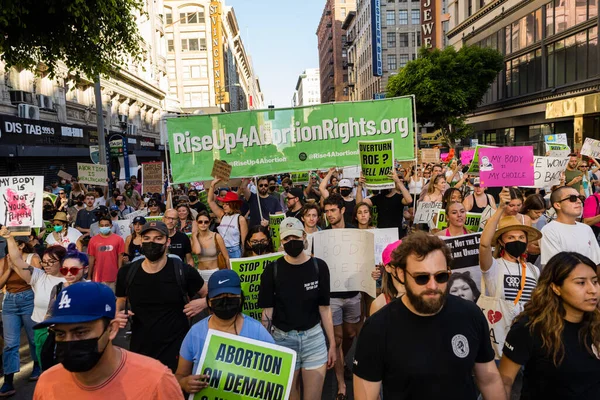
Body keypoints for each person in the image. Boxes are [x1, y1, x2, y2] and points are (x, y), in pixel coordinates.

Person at [353, 231, 504, 400]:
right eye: (421, 278)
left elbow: (489, 380)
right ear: (401, 274)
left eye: (441, 276)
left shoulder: (471, 314)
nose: (433, 285)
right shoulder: (377, 328)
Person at [33, 281, 184, 399]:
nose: (69, 341)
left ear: (112, 329)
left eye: (80, 332)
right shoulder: (47, 382)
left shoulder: (156, 380)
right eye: (60, 334)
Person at [499, 252, 600, 399]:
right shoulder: (529, 328)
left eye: (595, 281)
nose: (593, 290)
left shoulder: (596, 325)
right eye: (581, 283)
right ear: (555, 288)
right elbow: (504, 382)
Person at [258, 217, 336, 400]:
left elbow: (325, 308)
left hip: (314, 341)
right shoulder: (272, 270)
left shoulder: (319, 267)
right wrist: (264, 347)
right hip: (282, 340)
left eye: (295, 236)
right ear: (281, 241)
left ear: (303, 236)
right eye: (286, 239)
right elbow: (267, 313)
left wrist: (331, 343)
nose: (291, 242)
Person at [115, 221, 207, 372]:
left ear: (167, 241)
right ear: (140, 241)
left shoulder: (183, 271)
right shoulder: (127, 273)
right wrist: (118, 312)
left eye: (158, 238)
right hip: (140, 349)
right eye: (147, 238)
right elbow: (121, 299)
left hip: (178, 349)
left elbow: (209, 294)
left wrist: (203, 303)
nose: (152, 242)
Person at [176, 270, 274, 394]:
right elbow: (180, 375)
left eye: (231, 296)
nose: (225, 300)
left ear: (240, 298)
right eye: (218, 297)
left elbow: (275, 376)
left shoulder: (258, 332)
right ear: (209, 301)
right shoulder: (195, 333)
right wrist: (184, 383)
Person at [0, 229, 66, 367]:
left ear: (62, 262)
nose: (46, 265)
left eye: (51, 262)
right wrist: (9, 238)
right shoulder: (38, 276)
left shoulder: (71, 280)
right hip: (42, 331)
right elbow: (17, 260)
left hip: (65, 331)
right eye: (44, 262)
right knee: (46, 369)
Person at [480, 188, 542, 305]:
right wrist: (500, 209)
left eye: (519, 205)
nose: (515, 208)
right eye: (510, 237)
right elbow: (485, 244)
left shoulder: (533, 271)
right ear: (501, 241)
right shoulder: (494, 267)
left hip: (522, 265)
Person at [0, 236, 42, 395]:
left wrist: (17, 266)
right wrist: (9, 269)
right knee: (10, 343)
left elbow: (34, 280)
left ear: (21, 245)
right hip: (9, 302)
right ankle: (9, 380)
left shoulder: (32, 258)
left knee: (33, 338)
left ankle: (37, 366)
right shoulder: (4, 261)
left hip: (29, 299)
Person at [541, 186, 600, 268]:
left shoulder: (586, 229)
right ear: (558, 205)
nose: (579, 201)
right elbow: (554, 267)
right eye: (573, 198)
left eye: (580, 198)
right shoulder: (549, 230)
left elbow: (596, 261)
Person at [357, 169, 413, 236]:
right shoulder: (378, 198)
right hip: (382, 234)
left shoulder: (399, 197)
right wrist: (360, 186)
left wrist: (398, 181)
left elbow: (409, 200)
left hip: (397, 234)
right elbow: (359, 204)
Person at [208, 179, 248, 259]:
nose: (224, 206)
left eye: (227, 204)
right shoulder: (222, 215)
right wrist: (212, 184)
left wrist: (244, 256)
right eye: (223, 204)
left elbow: (244, 241)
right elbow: (210, 201)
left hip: (235, 252)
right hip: (221, 250)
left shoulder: (240, 219)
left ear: (233, 205)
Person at [87, 216, 125, 291]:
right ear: (99, 226)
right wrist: (89, 276)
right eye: (102, 225)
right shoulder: (93, 240)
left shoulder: (119, 239)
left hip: (113, 277)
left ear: (111, 226)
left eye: (106, 225)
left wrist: (119, 275)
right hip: (97, 277)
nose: (104, 227)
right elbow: (91, 258)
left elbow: (120, 258)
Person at [191, 211, 229, 282]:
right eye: (200, 222)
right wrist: (194, 236)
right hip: (200, 272)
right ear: (196, 222)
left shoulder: (217, 236)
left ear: (210, 222)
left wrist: (229, 273)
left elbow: (226, 257)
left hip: (215, 271)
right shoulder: (194, 238)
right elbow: (197, 251)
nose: (203, 224)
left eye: (206, 222)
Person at [369, 240, 403, 316]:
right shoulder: (379, 304)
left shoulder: (421, 295)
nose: (404, 267)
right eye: (399, 263)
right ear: (388, 268)